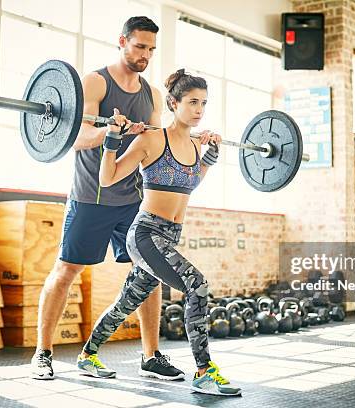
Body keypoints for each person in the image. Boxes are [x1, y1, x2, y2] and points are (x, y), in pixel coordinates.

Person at [31, 16, 184, 382]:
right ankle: (42, 353)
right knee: (67, 270)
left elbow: (153, 143)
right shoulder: (95, 82)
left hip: (132, 198)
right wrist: (107, 130)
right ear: (122, 41)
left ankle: (151, 355)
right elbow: (73, 137)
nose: (145, 54)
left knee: (148, 273)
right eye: (139, 46)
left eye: (151, 49)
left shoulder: (152, 94)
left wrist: (190, 140)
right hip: (90, 195)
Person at [77, 69, 242, 396]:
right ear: (173, 102)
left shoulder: (195, 145)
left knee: (128, 302)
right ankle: (204, 371)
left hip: (168, 236)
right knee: (197, 284)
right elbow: (107, 178)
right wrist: (111, 137)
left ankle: (87, 355)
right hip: (145, 234)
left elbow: (192, 181)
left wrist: (211, 152)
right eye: (192, 102)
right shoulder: (150, 139)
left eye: (204, 104)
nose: (199, 110)